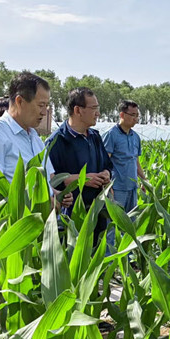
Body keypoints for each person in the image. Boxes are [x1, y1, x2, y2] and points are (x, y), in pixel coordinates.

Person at [0, 71, 72, 209]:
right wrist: (39, 201)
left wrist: (56, 194)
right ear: (19, 101)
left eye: (46, 106)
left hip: (37, 226)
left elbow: (45, 181)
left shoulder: (35, 137)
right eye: (41, 105)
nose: (44, 112)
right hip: (9, 226)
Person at [44, 87, 113, 246]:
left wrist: (106, 173)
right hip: (71, 216)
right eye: (94, 108)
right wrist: (80, 180)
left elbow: (107, 164)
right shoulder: (57, 141)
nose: (98, 113)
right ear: (77, 110)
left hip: (96, 212)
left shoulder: (94, 137)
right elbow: (49, 180)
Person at [102, 100, 147, 249]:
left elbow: (136, 161)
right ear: (122, 114)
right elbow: (104, 162)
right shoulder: (111, 135)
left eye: (137, 116)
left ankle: (127, 260)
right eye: (132, 115)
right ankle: (110, 261)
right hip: (117, 188)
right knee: (113, 225)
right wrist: (108, 185)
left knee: (129, 225)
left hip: (131, 188)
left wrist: (144, 180)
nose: (135, 119)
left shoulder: (135, 137)